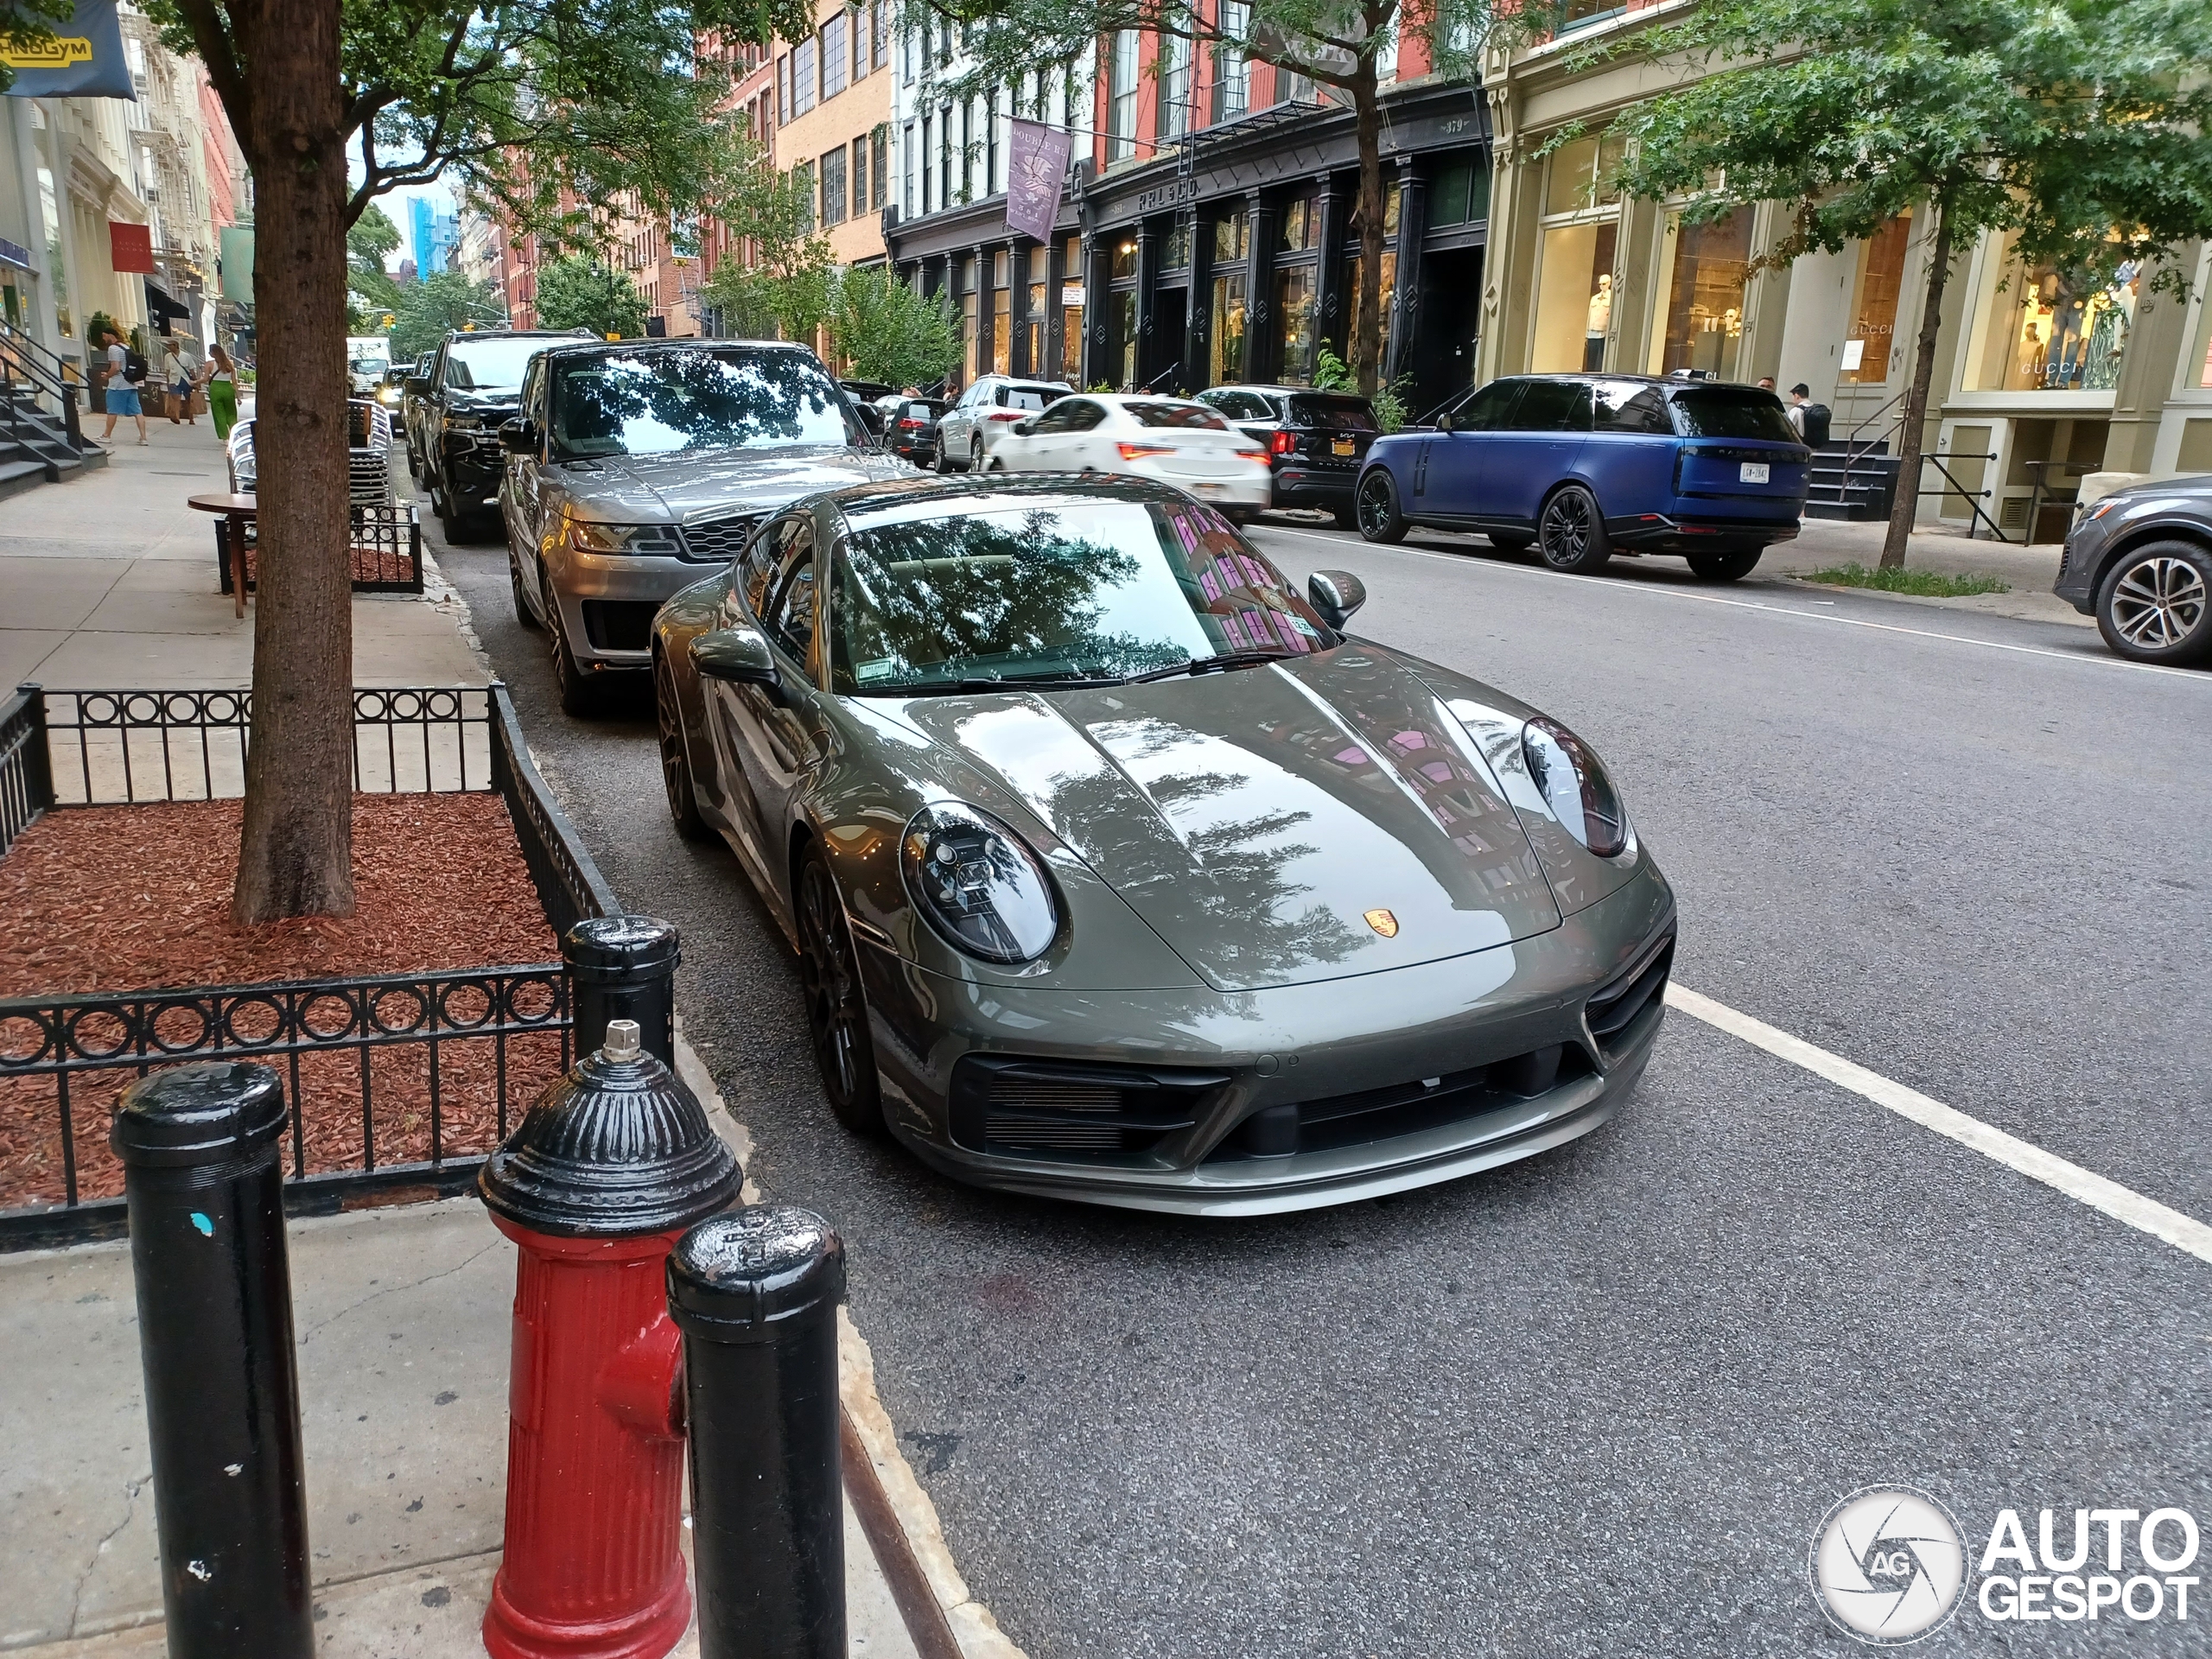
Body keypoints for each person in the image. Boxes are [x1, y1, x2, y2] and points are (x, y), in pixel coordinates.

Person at [97, 328, 149, 447]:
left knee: (112, 411)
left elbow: (116, 367)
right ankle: (143, 438)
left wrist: (107, 375)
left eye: (104, 336)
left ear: (110, 335)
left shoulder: (113, 349)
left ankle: (106, 436)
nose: (104, 339)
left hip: (117, 385)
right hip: (131, 383)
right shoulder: (125, 347)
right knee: (137, 412)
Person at [203, 343, 238, 441]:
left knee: (219, 413)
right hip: (228, 388)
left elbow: (205, 378)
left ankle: (224, 437)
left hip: (215, 388)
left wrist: (195, 382)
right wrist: (238, 397)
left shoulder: (209, 364)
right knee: (231, 413)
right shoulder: (230, 364)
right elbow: (234, 381)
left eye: (210, 352)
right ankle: (234, 433)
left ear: (213, 353)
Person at [160, 339, 194, 425]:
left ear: (175, 346)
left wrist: (195, 381)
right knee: (176, 399)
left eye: (170, 345)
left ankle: (191, 418)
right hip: (174, 380)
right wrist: (168, 381)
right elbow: (167, 370)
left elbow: (191, 369)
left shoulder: (186, 356)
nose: (168, 347)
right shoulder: (167, 356)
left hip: (185, 380)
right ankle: (176, 417)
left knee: (188, 399)